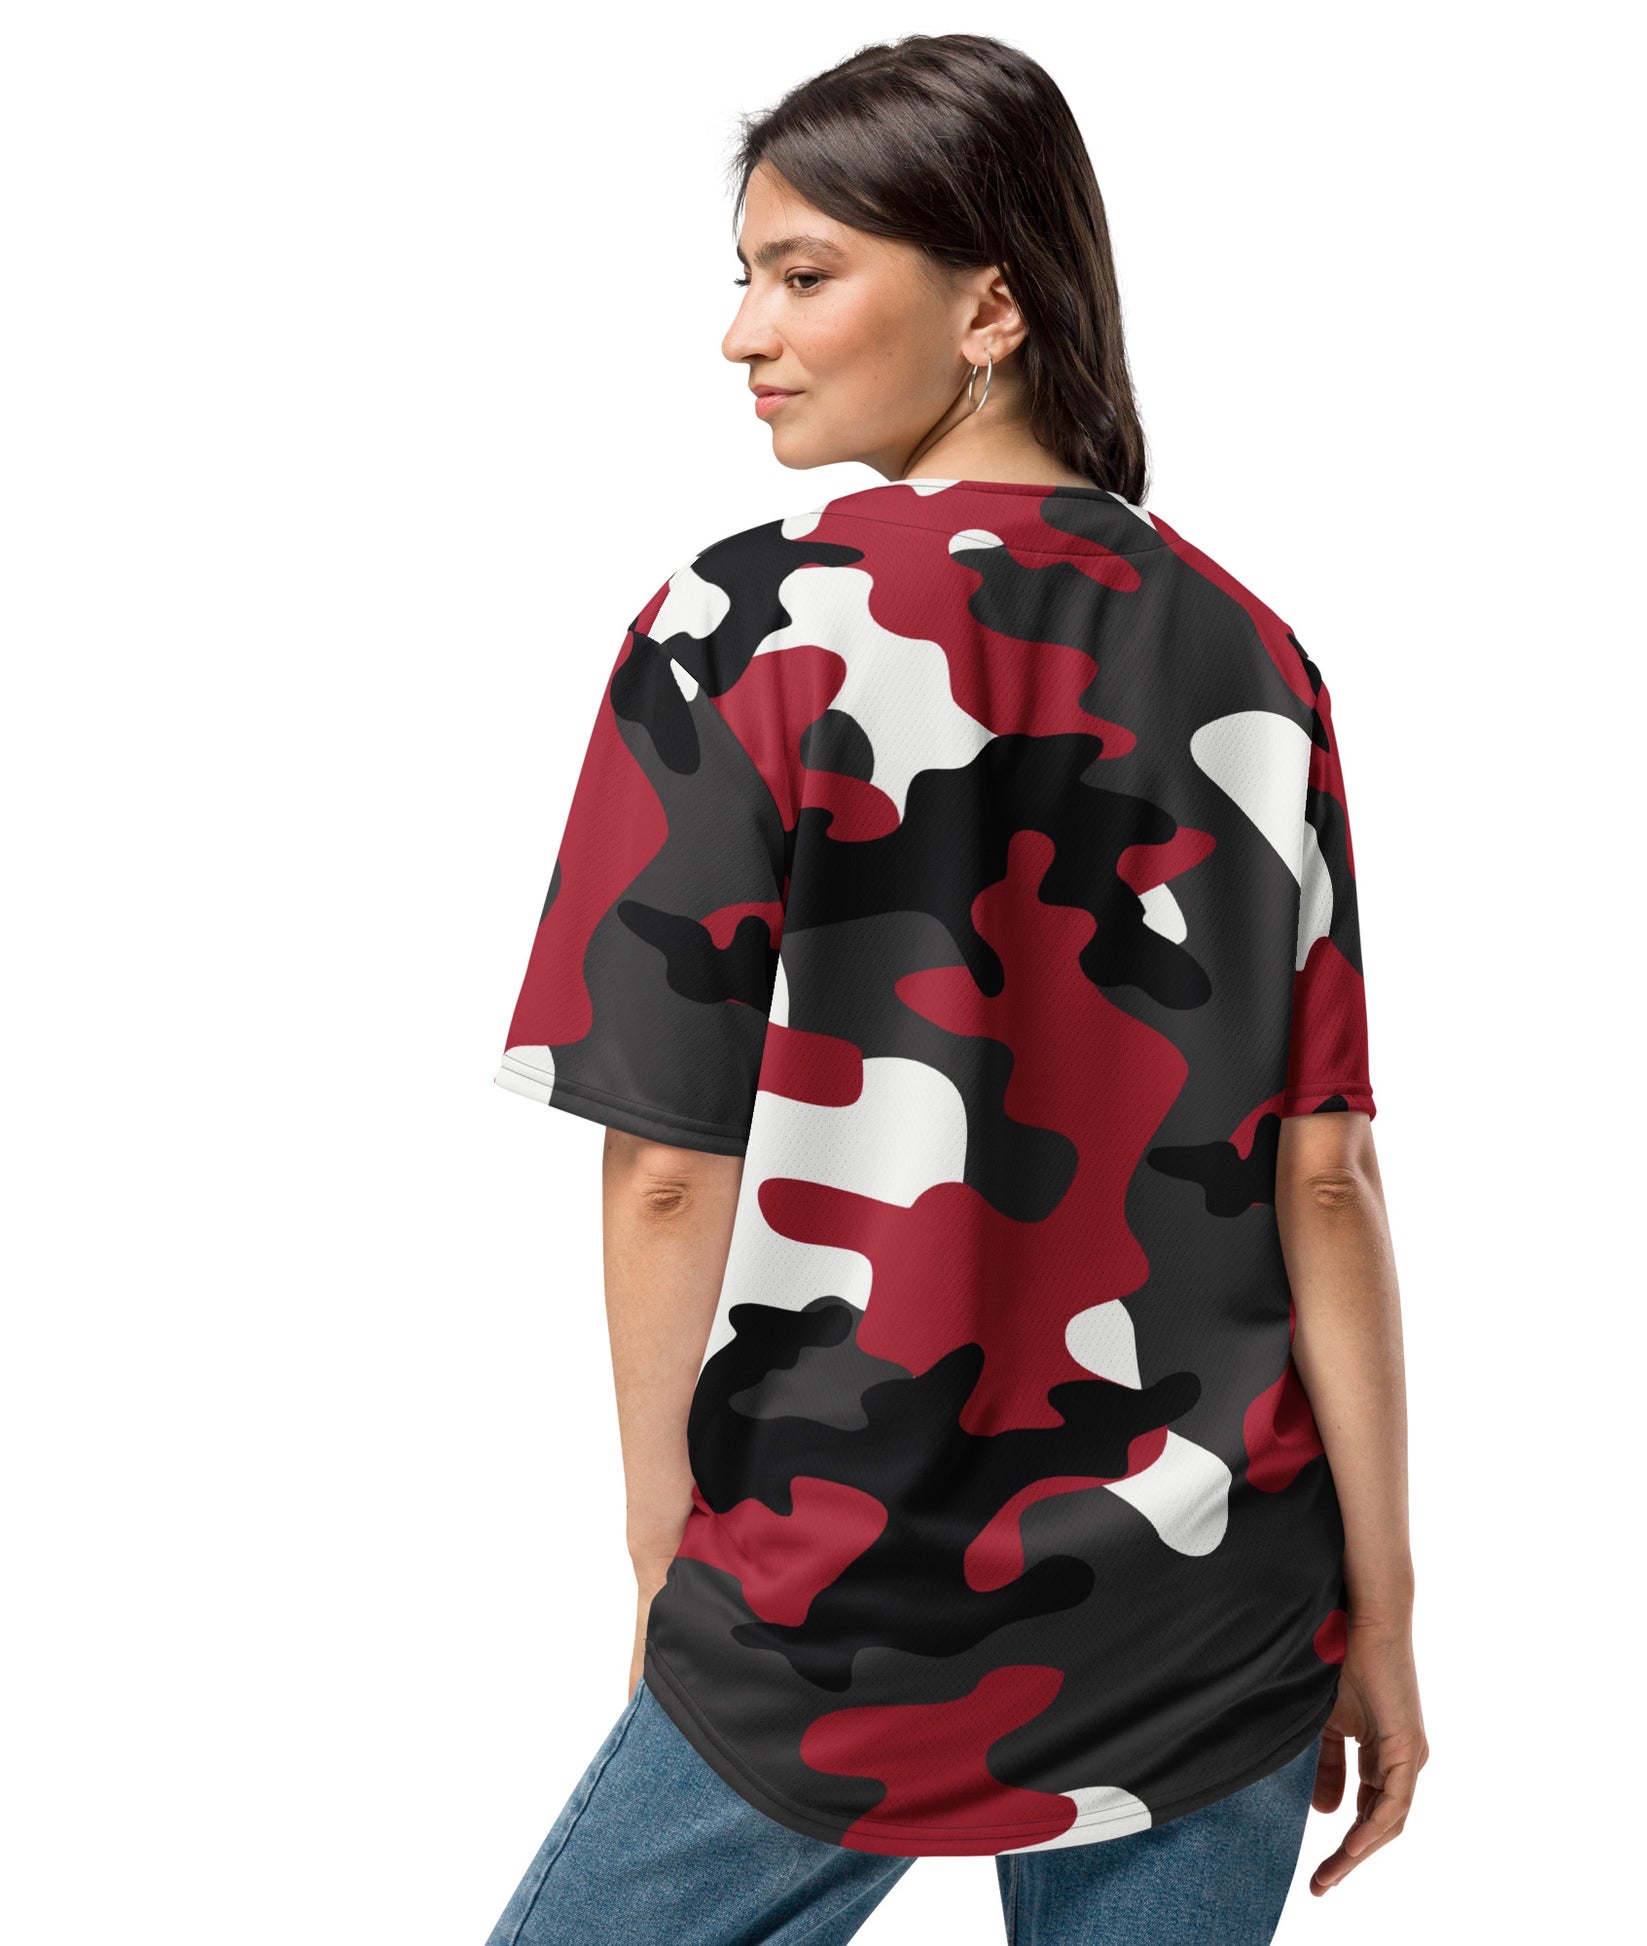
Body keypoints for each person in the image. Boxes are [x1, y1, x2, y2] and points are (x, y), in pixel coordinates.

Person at [484, 32, 1426, 1946]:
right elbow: (1321, 1171)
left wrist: (668, 1556)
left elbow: (666, 1166)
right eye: (744, 275)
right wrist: (1382, 1610)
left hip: (832, 1596)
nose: (743, 333)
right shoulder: (1252, 654)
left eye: (803, 273)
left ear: (991, 306)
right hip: (1212, 1609)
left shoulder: (734, 627)